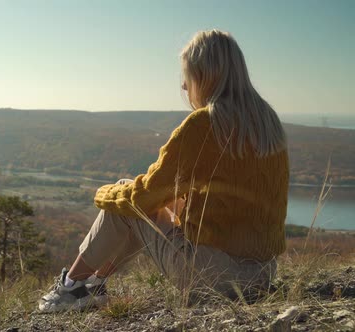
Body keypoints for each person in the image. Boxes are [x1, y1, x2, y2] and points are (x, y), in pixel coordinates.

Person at [38, 29, 289, 313]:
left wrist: (103, 193)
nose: (184, 86)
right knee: (143, 199)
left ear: (206, 75)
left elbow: (143, 197)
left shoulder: (204, 124)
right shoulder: (268, 122)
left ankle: (70, 287)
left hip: (212, 277)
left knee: (124, 197)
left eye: (189, 76)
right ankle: (93, 284)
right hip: (263, 275)